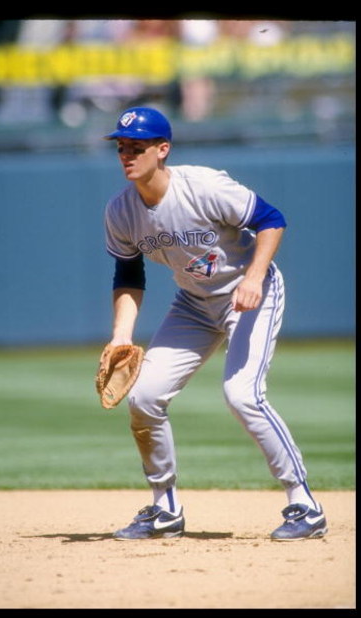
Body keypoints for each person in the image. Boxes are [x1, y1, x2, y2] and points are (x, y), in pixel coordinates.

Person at [102, 106, 328, 541]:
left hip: (249, 295)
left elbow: (270, 219)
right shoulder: (121, 211)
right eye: (122, 147)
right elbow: (128, 275)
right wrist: (121, 335)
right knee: (144, 397)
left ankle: (304, 504)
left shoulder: (202, 185)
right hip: (194, 302)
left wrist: (255, 276)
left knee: (242, 395)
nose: (127, 154)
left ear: (162, 149)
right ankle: (165, 509)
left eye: (138, 146)